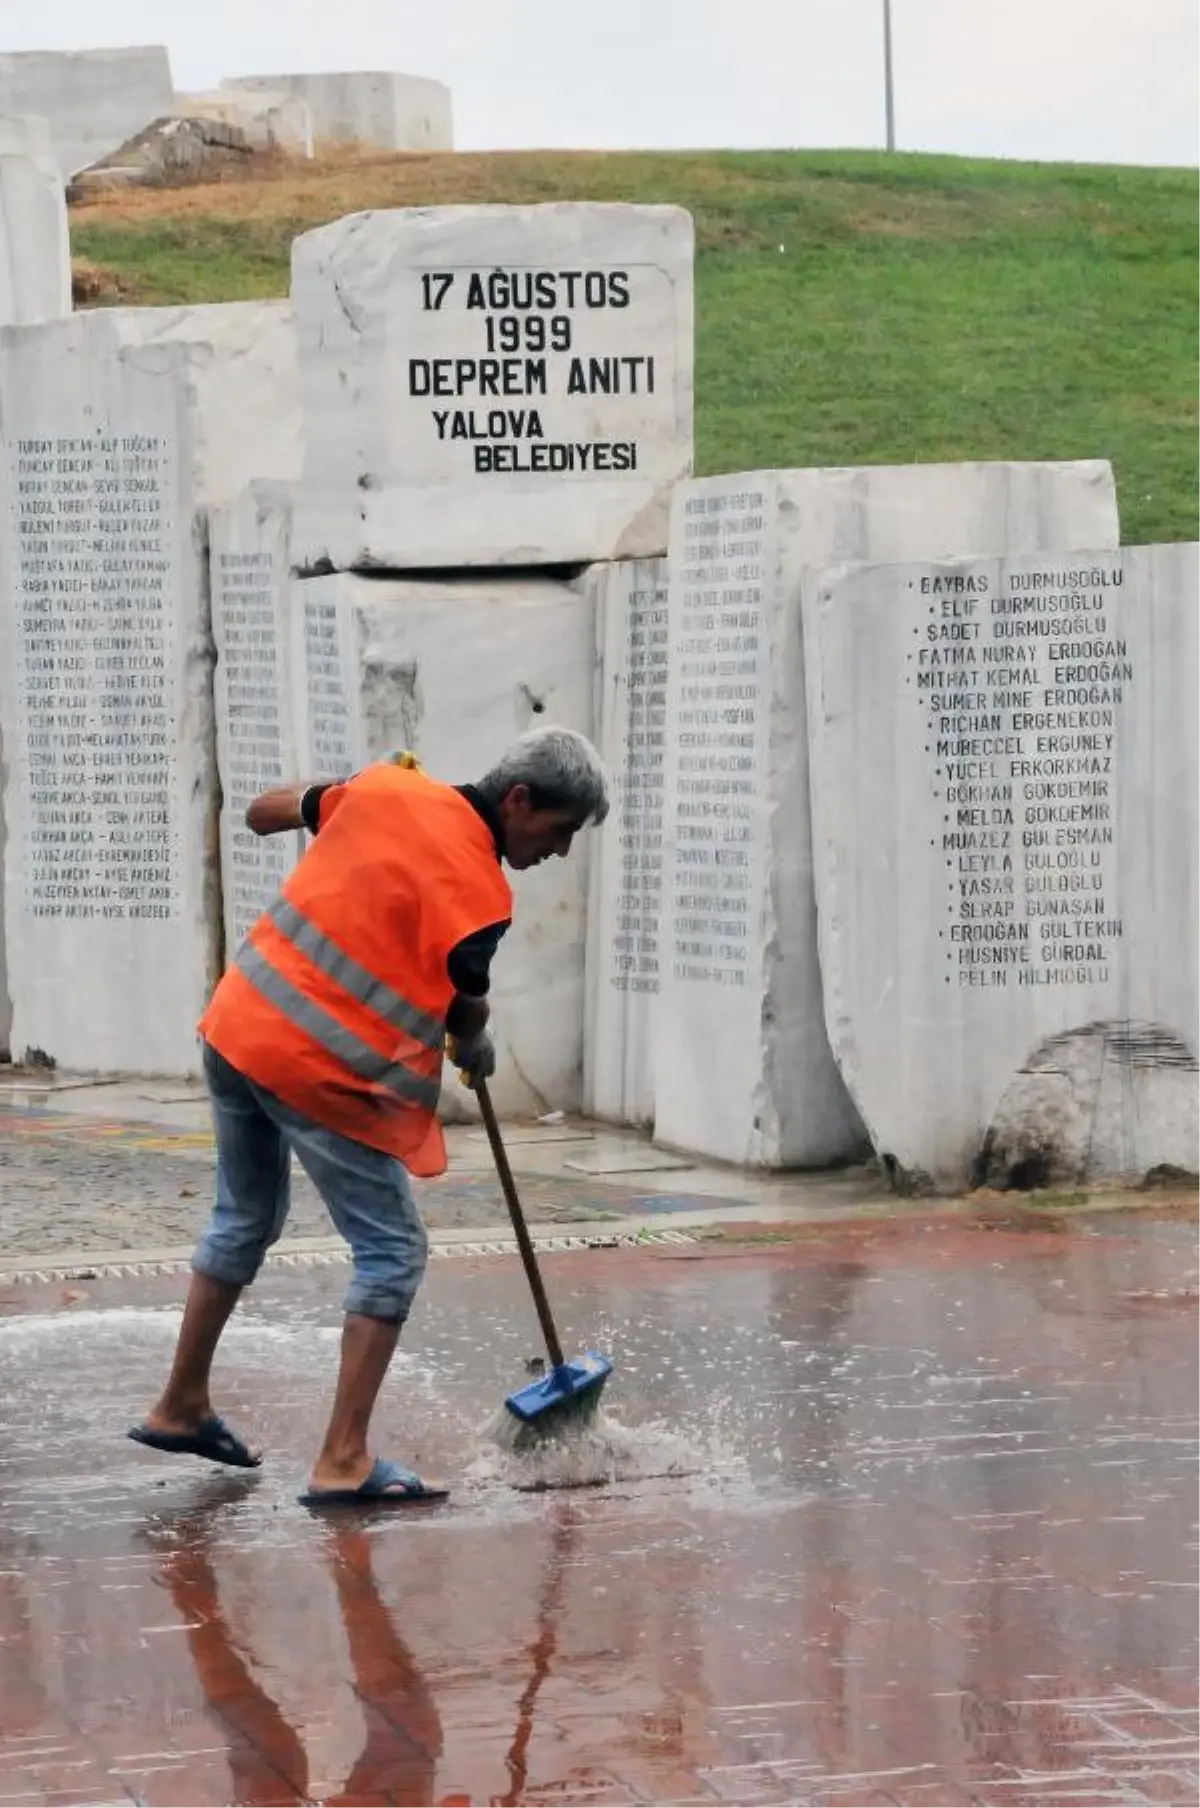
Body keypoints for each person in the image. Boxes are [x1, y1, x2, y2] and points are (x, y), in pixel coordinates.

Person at [128, 726, 609, 1507]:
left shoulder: (388, 788)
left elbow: (261, 812)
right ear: (519, 800)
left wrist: (343, 799)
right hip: (312, 1063)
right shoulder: (482, 896)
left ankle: (180, 1405)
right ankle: (343, 1459)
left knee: (243, 1217)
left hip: (237, 1025)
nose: (558, 852)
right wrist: (476, 1041)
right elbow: (463, 994)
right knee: (391, 1249)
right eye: (557, 832)